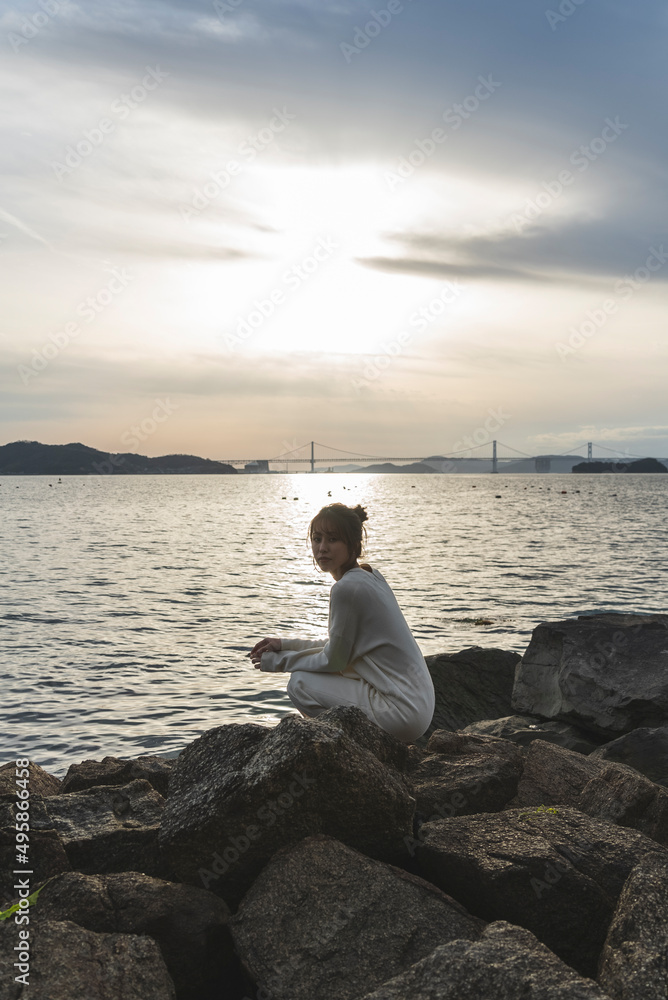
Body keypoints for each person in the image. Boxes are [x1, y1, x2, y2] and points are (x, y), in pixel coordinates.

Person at [248, 502, 435, 743]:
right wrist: (284, 644)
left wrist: (278, 661)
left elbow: (334, 659)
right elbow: (339, 644)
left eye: (333, 539)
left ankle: (341, 750)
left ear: (353, 544)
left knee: (300, 683)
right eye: (317, 539)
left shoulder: (346, 589)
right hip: (419, 705)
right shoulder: (370, 575)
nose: (322, 548)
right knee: (308, 676)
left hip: (400, 711)